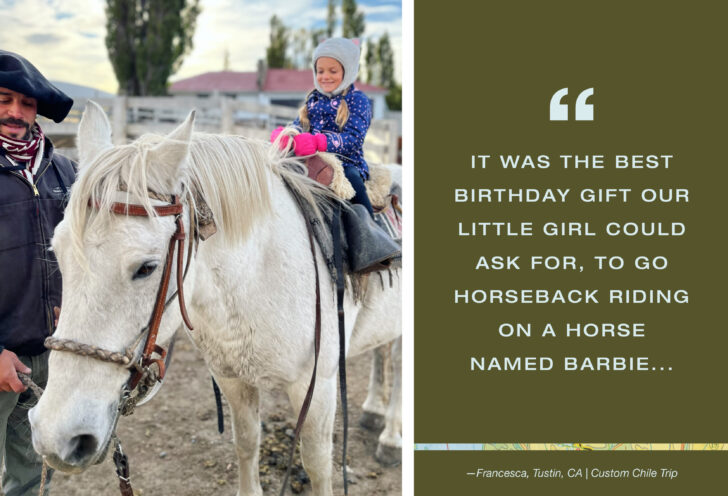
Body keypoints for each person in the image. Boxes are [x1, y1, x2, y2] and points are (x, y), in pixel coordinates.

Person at [0, 50, 75, 495]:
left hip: (45, 354)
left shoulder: (64, 171)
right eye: (4, 99)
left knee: (30, 476)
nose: (15, 112)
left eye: (26, 103)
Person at [271, 38, 399, 272]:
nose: (325, 76)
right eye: (320, 71)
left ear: (348, 71)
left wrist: (320, 141)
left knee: (351, 178)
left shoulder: (357, 101)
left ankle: (371, 236)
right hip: (313, 159)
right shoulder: (313, 99)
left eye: (333, 70)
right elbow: (299, 124)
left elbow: (354, 138)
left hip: (347, 161)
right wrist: (287, 134)